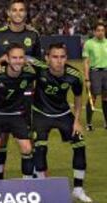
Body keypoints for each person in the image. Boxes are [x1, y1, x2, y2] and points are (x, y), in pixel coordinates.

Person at [0, 0, 41, 179]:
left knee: (27, 139)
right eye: (14, 10)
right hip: (1, 92)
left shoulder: (33, 34)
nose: (18, 13)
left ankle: (32, 176)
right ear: (8, 13)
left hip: (25, 92)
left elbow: (39, 63)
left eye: (21, 10)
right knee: (1, 139)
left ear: (25, 13)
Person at [32, 43, 92, 202]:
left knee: (80, 143)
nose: (59, 61)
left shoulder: (74, 75)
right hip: (40, 113)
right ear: (47, 58)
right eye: (54, 57)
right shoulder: (39, 67)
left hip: (63, 113)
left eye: (62, 57)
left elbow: (78, 98)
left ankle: (78, 189)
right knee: (40, 147)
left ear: (66, 58)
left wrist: (77, 121)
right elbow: (18, 57)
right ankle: (42, 187)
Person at [0, 44, 35, 180]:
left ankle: (28, 185)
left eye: (20, 58)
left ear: (24, 59)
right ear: (7, 58)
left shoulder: (30, 73)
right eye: (14, 57)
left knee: (27, 148)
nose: (18, 61)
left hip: (16, 114)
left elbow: (47, 67)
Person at [83, 22, 107, 131]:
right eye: (98, 30)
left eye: (102, 30)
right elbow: (86, 62)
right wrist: (87, 78)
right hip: (95, 73)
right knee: (92, 99)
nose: (101, 32)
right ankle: (88, 123)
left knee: (106, 99)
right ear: (94, 31)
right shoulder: (89, 43)